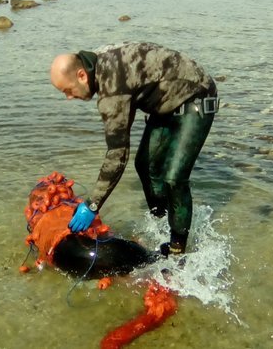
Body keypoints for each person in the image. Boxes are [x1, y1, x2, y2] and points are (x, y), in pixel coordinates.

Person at [49, 42, 218, 255]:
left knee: (174, 178)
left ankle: (177, 249)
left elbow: (117, 154)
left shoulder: (112, 90)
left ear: (82, 75)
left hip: (197, 95)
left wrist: (92, 205)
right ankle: (162, 225)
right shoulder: (98, 61)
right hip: (165, 101)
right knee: (145, 166)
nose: (69, 97)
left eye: (68, 90)